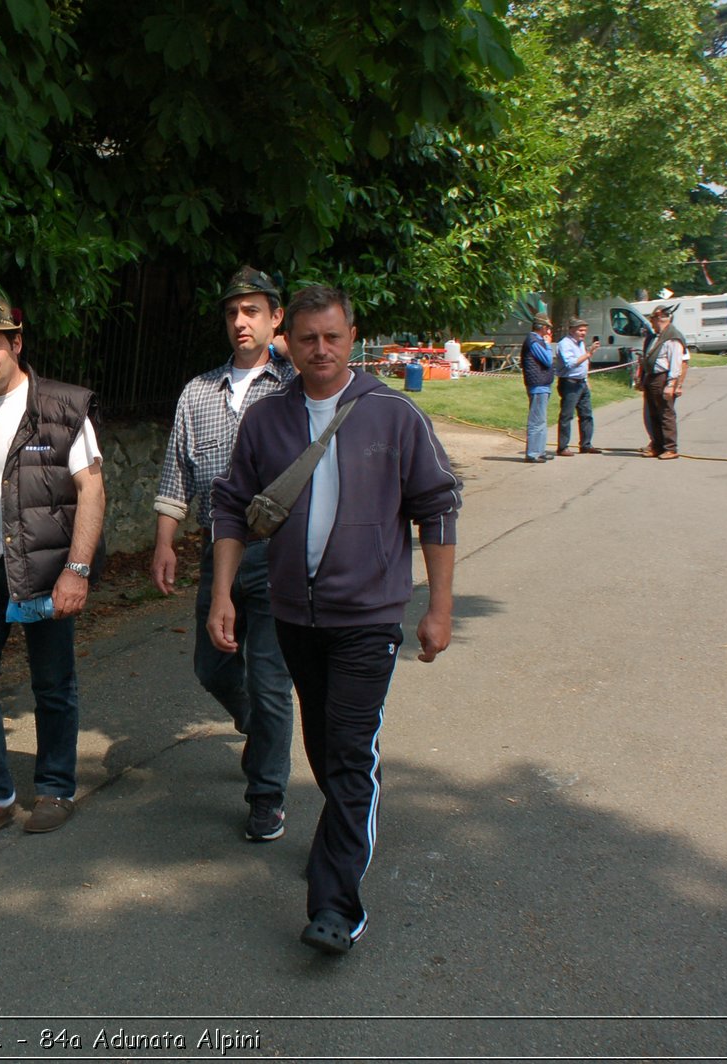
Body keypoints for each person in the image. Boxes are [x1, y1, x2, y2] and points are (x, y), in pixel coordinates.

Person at [207, 285, 461, 955]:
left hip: (367, 619)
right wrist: (222, 593)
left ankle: (336, 906)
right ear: (287, 338)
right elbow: (232, 508)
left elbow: (437, 508)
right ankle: (348, 826)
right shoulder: (266, 421)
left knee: (349, 751)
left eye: (334, 337)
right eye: (309, 337)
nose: (321, 349)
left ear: (353, 337)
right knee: (321, 746)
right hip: (294, 615)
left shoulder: (394, 415)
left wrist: (439, 607)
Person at [0, 290, 106, 843]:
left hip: (43, 564)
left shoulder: (61, 406)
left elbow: (91, 489)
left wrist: (76, 571)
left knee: (52, 682)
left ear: (16, 344)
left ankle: (56, 787)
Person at [151, 266, 296, 842]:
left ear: (275, 318)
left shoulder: (295, 387)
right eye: (234, 312)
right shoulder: (198, 392)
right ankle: (261, 731)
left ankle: (267, 796)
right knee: (211, 666)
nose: (241, 321)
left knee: (268, 678)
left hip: (280, 556)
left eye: (254, 311)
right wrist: (164, 542)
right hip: (218, 555)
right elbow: (174, 476)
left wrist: (285, 350)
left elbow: (340, 370)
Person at [637, 305, 688, 460]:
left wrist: (672, 384)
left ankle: (670, 448)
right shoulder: (656, 337)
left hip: (663, 378)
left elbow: (676, 363)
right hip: (652, 378)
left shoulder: (672, 338)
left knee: (666, 414)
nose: (651, 323)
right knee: (653, 414)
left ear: (659, 318)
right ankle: (657, 446)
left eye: (652, 319)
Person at [555, 317, 601, 455]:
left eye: (585, 330)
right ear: (572, 330)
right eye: (580, 330)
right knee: (567, 415)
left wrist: (586, 380)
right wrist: (589, 353)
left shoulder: (580, 343)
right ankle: (563, 447)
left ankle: (586, 444)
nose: (583, 333)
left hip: (582, 382)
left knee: (586, 414)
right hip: (569, 383)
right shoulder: (565, 344)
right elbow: (570, 363)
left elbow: (583, 364)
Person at [521, 317, 555, 462]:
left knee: (542, 420)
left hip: (543, 385)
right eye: (547, 328)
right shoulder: (533, 341)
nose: (549, 331)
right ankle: (533, 453)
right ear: (541, 327)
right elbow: (547, 360)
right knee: (536, 421)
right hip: (537, 385)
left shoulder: (537, 340)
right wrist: (548, 344)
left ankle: (540, 450)